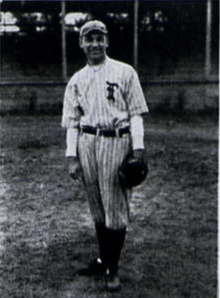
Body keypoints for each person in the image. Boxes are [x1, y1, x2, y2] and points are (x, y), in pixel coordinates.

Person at [61, 20, 149, 292]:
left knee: (115, 208)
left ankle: (113, 268)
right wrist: (72, 157)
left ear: (107, 41)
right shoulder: (76, 80)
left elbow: (135, 113)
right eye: (89, 39)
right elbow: (72, 122)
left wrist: (138, 148)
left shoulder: (125, 72)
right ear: (82, 44)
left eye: (100, 38)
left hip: (116, 141)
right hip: (88, 143)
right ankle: (103, 259)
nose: (95, 43)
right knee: (97, 207)